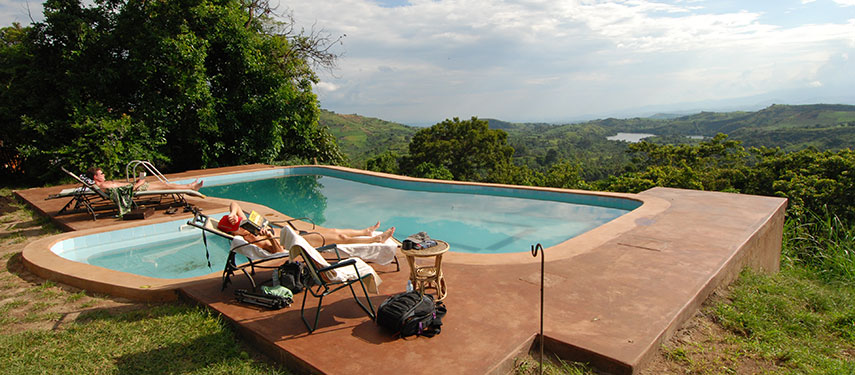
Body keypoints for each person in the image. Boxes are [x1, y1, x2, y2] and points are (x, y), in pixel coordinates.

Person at [218, 201, 395, 257]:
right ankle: (374, 240)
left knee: (333, 230)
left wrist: (234, 213)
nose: (242, 224)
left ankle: (364, 232)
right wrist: (270, 237)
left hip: (297, 234)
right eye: (237, 225)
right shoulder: (253, 239)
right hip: (296, 243)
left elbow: (234, 204)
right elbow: (278, 252)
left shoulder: (247, 228)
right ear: (234, 232)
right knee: (338, 237)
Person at [85, 167, 203, 191]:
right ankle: (191, 187)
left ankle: (189, 186)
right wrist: (138, 184)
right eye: (102, 173)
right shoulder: (104, 186)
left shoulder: (104, 183)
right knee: (165, 186)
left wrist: (138, 181)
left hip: (135, 185)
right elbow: (123, 191)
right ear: (96, 177)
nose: (104, 175)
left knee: (161, 182)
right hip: (136, 188)